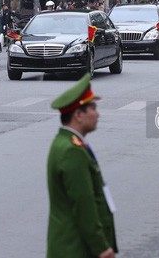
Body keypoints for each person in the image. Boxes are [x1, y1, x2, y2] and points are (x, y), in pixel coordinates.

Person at [47, 74, 117, 258]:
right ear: (78, 115)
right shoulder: (72, 151)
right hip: (75, 248)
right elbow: (83, 205)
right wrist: (101, 247)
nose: (98, 113)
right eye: (93, 108)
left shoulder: (65, 142)